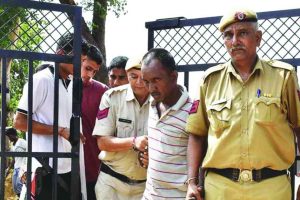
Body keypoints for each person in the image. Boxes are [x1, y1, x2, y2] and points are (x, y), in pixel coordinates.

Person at [185, 9, 300, 200]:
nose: (235, 41)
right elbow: (197, 134)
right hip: (220, 189)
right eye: (228, 35)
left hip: (271, 189)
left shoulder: (283, 76)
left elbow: (299, 127)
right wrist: (191, 182)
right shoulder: (210, 80)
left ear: (258, 38)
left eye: (243, 33)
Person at [13, 33, 85, 200]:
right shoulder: (41, 80)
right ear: (60, 54)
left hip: (68, 166)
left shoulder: (73, 84)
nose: (79, 65)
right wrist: (60, 131)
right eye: (77, 59)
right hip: (45, 168)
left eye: (81, 61)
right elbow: (19, 122)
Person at [93, 56, 150, 200]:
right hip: (112, 183)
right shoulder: (112, 97)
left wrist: (154, 157)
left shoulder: (161, 101)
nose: (139, 82)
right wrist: (134, 142)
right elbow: (103, 142)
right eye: (133, 76)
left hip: (145, 187)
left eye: (143, 77)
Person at [141, 48, 192, 199]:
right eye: (146, 81)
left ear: (173, 77)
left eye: (156, 80)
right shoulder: (152, 104)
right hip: (149, 195)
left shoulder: (193, 111)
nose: (151, 88)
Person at [80, 44, 109, 200]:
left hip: (92, 166)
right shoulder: (61, 85)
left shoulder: (102, 91)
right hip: (62, 166)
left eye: (94, 71)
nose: (89, 74)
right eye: (87, 68)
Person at [5, 127, 27, 197]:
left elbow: (30, 152)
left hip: (22, 168)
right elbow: (14, 159)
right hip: (16, 168)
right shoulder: (13, 145)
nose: (9, 138)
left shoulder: (22, 142)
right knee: (15, 188)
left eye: (9, 136)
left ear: (12, 135)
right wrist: (8, 168)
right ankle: (20, 197)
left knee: (20, 186)